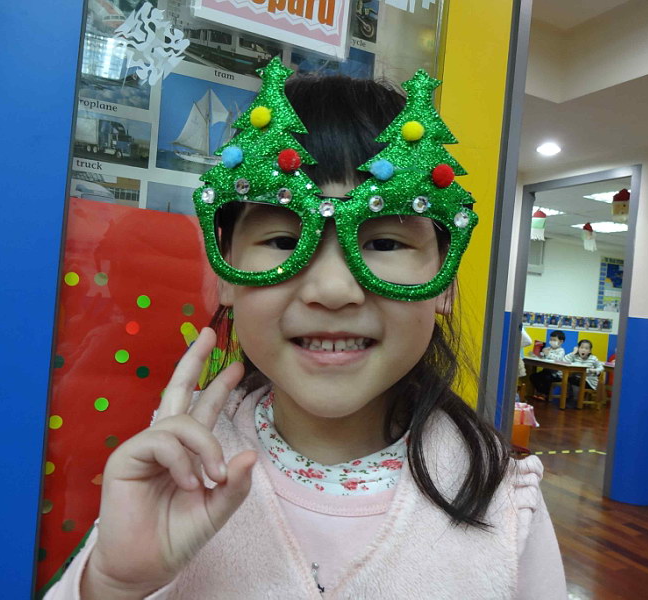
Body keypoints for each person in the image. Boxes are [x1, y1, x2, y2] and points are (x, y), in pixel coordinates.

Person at [47, 58, 567, 599]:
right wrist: (115, 584)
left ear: (444, 283)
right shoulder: (174, 462)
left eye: (384, 242)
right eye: (282, 240)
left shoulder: (507, 502)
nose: (333, 289)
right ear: (225, 274)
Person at [529, 330, 566, 400]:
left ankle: (545, 394)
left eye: (554, 340)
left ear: (561, 342)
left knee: (547, 378)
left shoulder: (561, 350)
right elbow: (542, 357)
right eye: (551, 339)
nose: (552, 341)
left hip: (555, 374)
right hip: (546, 371)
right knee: (533, 376)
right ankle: (540, 392)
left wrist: (548, 354)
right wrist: (535, 354)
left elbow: (559, 358)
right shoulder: (548, 349)